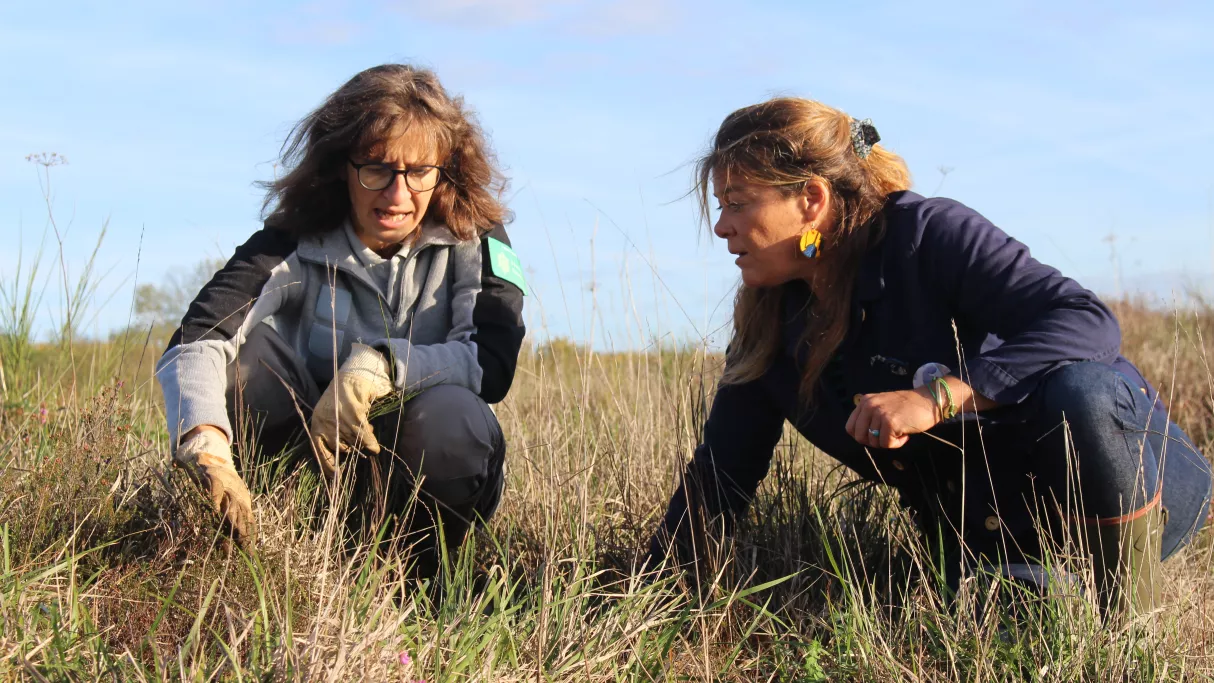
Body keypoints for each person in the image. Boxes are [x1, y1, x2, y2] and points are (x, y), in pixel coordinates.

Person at [647, 97, 1213, 616]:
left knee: (1081, 391)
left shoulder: (928, 233)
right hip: (992, 534)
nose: (722, 227)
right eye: (722, 207)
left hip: (1134, 481)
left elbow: (1086, 321)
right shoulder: (769, 325)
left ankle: (1134, 621)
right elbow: (722, 475)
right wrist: (648, 592)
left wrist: (938, 397)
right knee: (1021, 625)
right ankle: (1046, 589)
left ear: (811, 200)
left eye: (738, 203)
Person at [156, 64, 527, 575]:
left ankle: (424, 570)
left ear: (447, 169)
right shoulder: (294, 237)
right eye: (376, 168)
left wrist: (381, 367)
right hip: (310, 465)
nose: (398, 195)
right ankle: (273, 547)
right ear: (339, 166)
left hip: (423, 470)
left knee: (453, 420)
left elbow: (492, 365)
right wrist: (206, 445)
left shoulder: (477, 234)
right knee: (245, 358)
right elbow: (196, 338)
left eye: (419, 171)